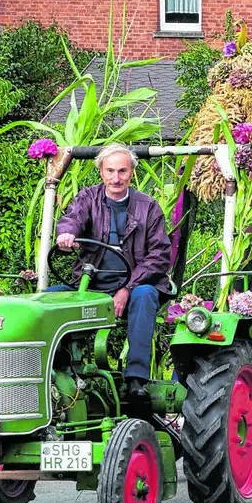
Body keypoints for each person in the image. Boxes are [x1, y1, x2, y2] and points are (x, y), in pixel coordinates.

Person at [54, 144, 171, 416]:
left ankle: (136, 380)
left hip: (137, 282)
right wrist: (66, 234)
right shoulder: (87, 199)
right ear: (101, 172)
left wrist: (127, 289)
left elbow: (159, 256)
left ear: (131, 173)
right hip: (91, 282)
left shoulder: (148, 207)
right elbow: (71, 220)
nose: (116, 178)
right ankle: (60, 374)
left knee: (144, 296)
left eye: (122, 171)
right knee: (48, 299)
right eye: (110, 171)